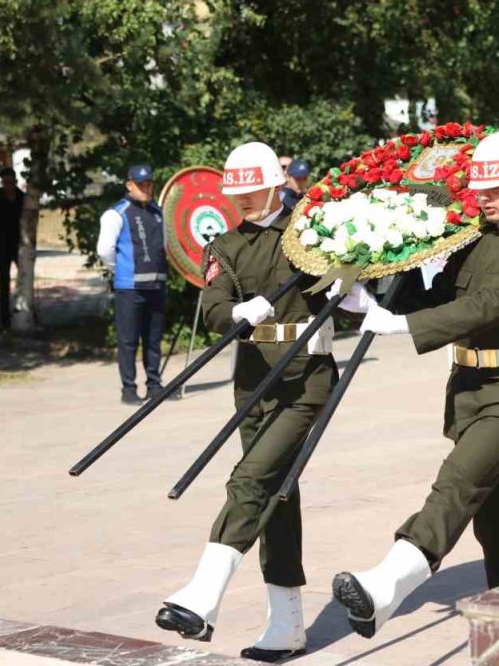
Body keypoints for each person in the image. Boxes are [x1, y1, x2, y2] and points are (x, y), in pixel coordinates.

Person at [332, 130, 499, 639]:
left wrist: (403, 329)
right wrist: (371, 301)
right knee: (493, 512)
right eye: (480, 188)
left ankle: (385, 586)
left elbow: (486, 306)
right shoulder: (474, 238)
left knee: (458, 482)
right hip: (469, 388)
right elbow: (435, 294)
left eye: (497, 188)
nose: (483, 197)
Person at [155, 143, 338, 663]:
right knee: (276, 496)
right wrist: (240, 309)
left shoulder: (309, 233)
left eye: (252, 191)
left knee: (250, 479)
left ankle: (203, 595)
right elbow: (213, 310)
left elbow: (345, 290)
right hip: (254, 380)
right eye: (236, 193)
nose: (244, 201)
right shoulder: (226, 246)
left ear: (274, 185)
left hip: (306, 378)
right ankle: (286, 624)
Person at [97, 165, 167, 404]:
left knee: (153, 340)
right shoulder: (117, 213)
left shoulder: (158, 212)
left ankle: (154, 385)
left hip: (156, 284)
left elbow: (163, 246)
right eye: (141, 184)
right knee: (128, 341)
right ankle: (128, 389)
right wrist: (119, 271)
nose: (146, 188)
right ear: (129, 185)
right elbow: (105, 249)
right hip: (130, 287)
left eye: (149, 184)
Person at [0, 167, 24, 327]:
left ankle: (24, 311)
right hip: (2, 243)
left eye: (11, 181)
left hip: (20, 243)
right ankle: (4, 317)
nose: (8, 185)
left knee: (24, 277)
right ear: (2, 183)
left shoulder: (23, 198)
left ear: (15, 181)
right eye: (5, 182)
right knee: (4, 280)